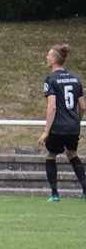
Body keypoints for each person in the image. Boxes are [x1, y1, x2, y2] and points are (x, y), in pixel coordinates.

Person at [36, 44, 86, 202]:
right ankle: (85, 190)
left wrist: (46, 131)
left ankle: (55, 194)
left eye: (48, 55)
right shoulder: (75, 79)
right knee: (72, 153)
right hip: (73, 126)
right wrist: (76, 121)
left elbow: (52, 107)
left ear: (54, 60)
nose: (46, 57)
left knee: (51, 155)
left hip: (58, 126)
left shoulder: (50, 79)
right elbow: (83, 106)